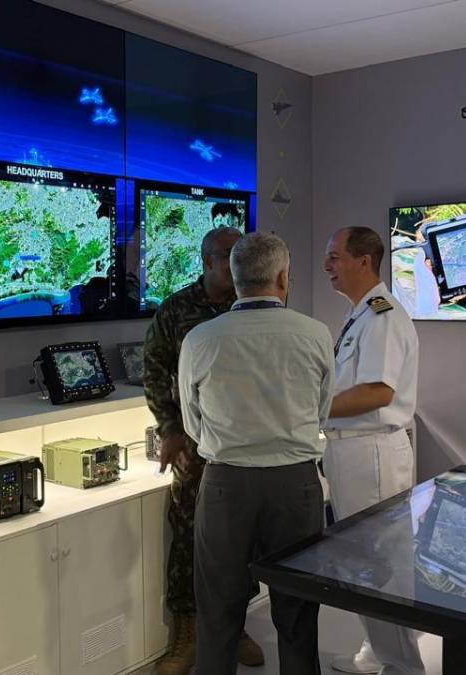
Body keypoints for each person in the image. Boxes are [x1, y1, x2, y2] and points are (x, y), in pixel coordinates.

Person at [173, 231, 334, 675]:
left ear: (235, 277)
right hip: (295, 485)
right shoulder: (315, 334)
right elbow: (321, 410)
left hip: (225, 486)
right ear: (283, 277)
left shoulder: (201, 339)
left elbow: (192, 422)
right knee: (298, 613)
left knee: (217, 612)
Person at [142, 226, 264, 675]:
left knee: (242, 536)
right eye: (229, 254)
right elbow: (155, 372)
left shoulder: (252, 307)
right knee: (190, 536)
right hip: (195, 444)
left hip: (244, 442)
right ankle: (187, 632)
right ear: (207, 261)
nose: (237, 262)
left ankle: (236, 626)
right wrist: (171, 430)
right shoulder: (176, 310)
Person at [322, 227, 424, 675]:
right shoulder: (361, 313)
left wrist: (310, 407)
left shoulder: (381, 315)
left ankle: (403, 667)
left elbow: (378, 392)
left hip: (371, 454)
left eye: (335, 256)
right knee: (364, 562)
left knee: (382, 565)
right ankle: (378, 651)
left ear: (363, 261)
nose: (326, 265)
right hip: (353, 452)